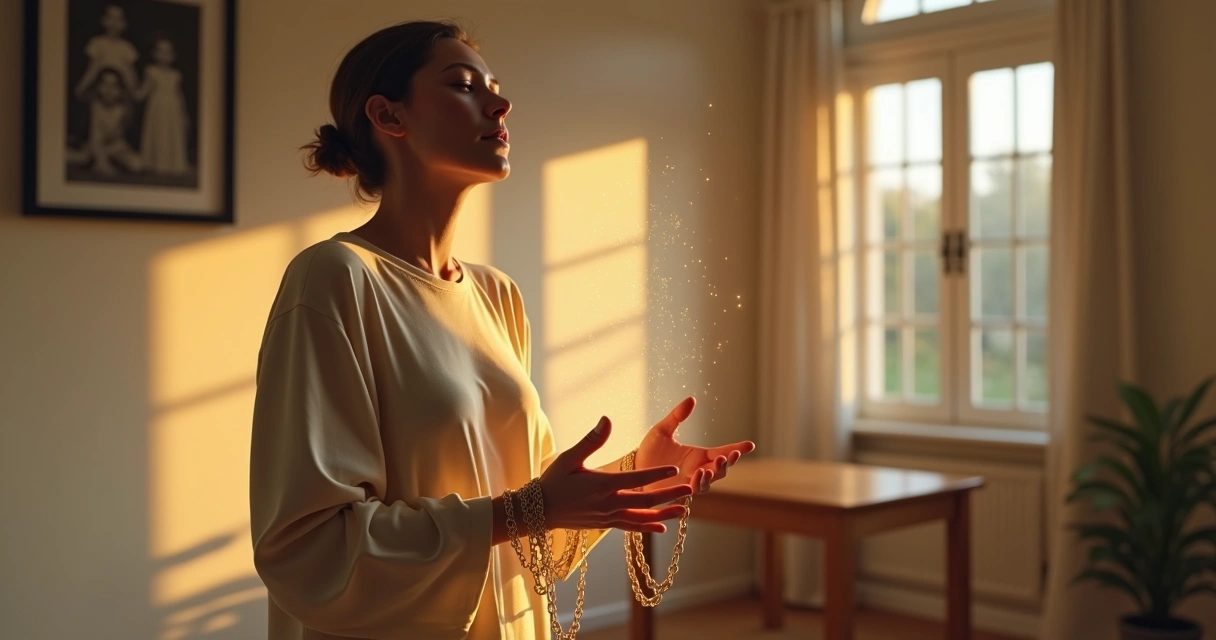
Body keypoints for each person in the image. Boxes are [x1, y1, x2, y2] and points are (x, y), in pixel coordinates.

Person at [248, 20, 756, 640]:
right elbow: (309, 547)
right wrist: (527, 509)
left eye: (493, 85)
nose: (500, 102)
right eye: (463, 85)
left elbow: (532, 528)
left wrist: (630, 474)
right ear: (389, 116)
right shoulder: (336, 279)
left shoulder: (496, 294)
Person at [134, 37, 191, 176]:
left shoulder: (176, 75)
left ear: (173, 55)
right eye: (160, 51)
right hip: (157, 108)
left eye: (168, 52)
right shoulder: (151, 71)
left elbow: (179, 95)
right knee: (158, 133)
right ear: (154, 53)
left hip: (173, 109)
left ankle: (173, 165)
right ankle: (156, 164)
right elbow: (142, 92)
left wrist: (184, 114)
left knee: (172, 134)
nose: (164, 55)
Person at [74, 5, 139, 100]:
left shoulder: (127, 47)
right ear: (102, 20)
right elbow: (91, 69)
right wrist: (81, 87)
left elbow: (130, 73)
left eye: (118, 19)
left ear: (125, 24)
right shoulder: (96, 42)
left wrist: (134, 91)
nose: (114, 23)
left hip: (119, 92)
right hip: (100, 91)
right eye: (110, 17)